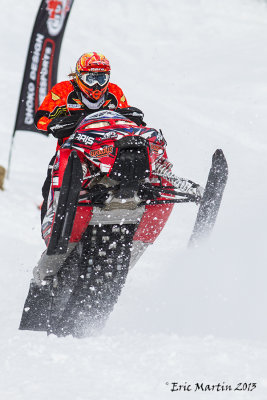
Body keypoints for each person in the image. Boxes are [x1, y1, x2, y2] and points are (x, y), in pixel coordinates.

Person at [35, 52, 146, 222]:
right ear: (79, 76)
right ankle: (50, 228)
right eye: (91, 78)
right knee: (48, 186)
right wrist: (55, 124)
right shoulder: (63, 91)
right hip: (74, 150)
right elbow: (41, 119)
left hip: (108, 149)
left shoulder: (115, 92)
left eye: (101, 79)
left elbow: (126, 122)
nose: (96, 85)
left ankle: (146, 187)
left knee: (137, 149)